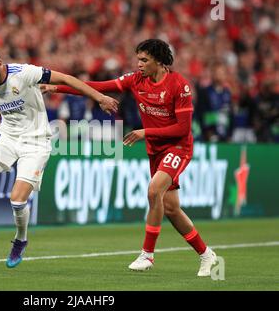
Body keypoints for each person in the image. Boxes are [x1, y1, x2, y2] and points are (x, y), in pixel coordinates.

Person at [42, 39, 217, 277]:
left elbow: (182, 129)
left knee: (154, 191)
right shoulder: (136, 80)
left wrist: (146, 132)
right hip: (155, 151)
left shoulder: (179, 86)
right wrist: (58, 87)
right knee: (171, 209)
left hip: (178, 148)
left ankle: (147, 254)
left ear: (159, 61)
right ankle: (206, 255)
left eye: (144, 60)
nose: (139, 64)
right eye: (138, 59)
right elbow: (99, 86)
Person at [0, 45, 118, 268]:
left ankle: (20, 240)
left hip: (36, 140)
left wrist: (99, 97)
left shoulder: (24, 73)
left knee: (17, 200)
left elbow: (68, 79)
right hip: (8, 136)